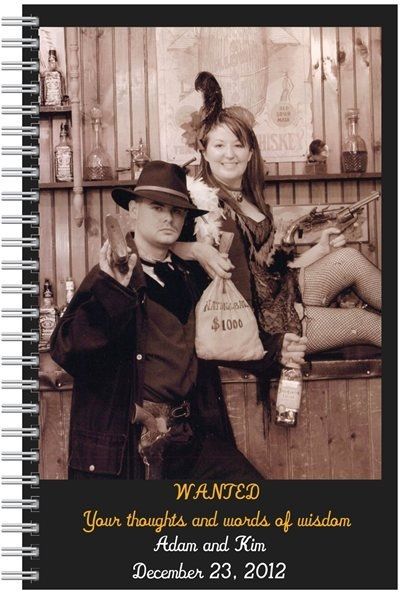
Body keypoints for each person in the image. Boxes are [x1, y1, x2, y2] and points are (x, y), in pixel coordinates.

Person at [50, 160, 306, 480]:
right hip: (129, 444)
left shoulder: (189, 276)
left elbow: (220, 338)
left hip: (187, 435)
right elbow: (66, 348)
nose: (168, 218)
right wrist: (112, 292)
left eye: (177, 211)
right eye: (157, 207)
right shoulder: (111, 275)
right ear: (134, 209)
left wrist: (276, 350)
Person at [174, 72, 381, 354]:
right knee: (368, 323)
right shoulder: (198, 201)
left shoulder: (251, 200)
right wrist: (197, 250)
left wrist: (320, 250)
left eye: (238, 145)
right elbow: (148, 243)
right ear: (205, 153)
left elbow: (272, 268)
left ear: (250, 153)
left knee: (349, 258)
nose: (230, 154)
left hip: (284, 292)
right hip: (260, 321)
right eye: (219, 145)